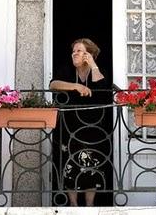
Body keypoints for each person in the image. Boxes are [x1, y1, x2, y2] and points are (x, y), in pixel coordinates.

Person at [50, 38, 107, 206]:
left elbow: (103, 88)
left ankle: (89, 206)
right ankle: (73, 206)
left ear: (89, 55)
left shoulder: (98, 71)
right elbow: (53, 84)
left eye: (80, 51)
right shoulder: (67, 70)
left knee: (92, 167)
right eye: (74, 51)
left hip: (93, 128)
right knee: (69, 166)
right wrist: (76, 86)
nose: (74, 53)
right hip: (69, 127)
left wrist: (93, 65)